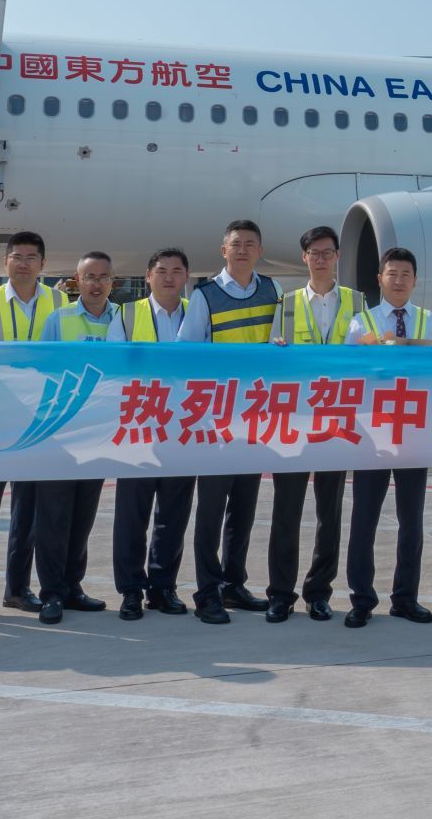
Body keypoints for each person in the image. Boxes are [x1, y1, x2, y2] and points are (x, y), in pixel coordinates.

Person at [0, 231, 66, 622]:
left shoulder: (60, 302)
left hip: (39, 424)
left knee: (28, 515)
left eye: (31, 257)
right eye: (17, 257)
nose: (23, 263)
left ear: (42, 264)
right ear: (5, 262)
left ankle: (17, 590)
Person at [264, 225, 368, 623]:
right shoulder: (287, 304)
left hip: (339, 421)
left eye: (327, 252)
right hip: (296, 421)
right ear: (304, 258)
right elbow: (274, 360)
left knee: (330, 512)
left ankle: (319, 592)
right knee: (286, 511)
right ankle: (280, 594)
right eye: (314, 253)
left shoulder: (359, 303)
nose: (321, 259)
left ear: (338, 256)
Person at [179, 219, 281, 623]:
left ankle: (233, 584)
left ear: (260, 251)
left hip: (255, 417)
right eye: (235, 244)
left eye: (250, 244)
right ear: (224, 250)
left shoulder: (273, 290)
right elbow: (188, 353)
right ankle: (207, 592)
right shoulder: (204, 295)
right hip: (216, 418)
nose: (242, 250)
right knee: (210, 510)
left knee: (243, 508)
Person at [341, 246, 432, 627]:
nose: (398, 281)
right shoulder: (360, 323)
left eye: (405, 274)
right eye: (392, 273)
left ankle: (406, 598)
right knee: (364, 519)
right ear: (379, 279)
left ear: (415, 281)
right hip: (373, 433)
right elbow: (348, 377)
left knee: (411, 520)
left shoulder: (430, 321)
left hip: (414, 432)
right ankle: (361, 598)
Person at [106, 248, 195, 620]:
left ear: (187, 276)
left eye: (176, 271)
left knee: (173, 514)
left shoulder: (197, 313)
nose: (169, 277)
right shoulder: (126, 314)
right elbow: (113, 367)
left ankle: (163, 588)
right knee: (132, 514)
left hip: (185, 428)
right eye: (161, 271)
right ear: (148, 276)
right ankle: (130, 589)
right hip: (139, 427)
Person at [33, 251, 117, 624]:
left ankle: (72, 587)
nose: (96, 284)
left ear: (112, 281)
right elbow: (42, 371)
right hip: (61, 432)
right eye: (89, 277)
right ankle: (51, 593)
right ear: (77, 281)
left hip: (99, 433)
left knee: (83, 516)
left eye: (103, 277)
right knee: (54, 517)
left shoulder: (122, 319)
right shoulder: (59, 320)